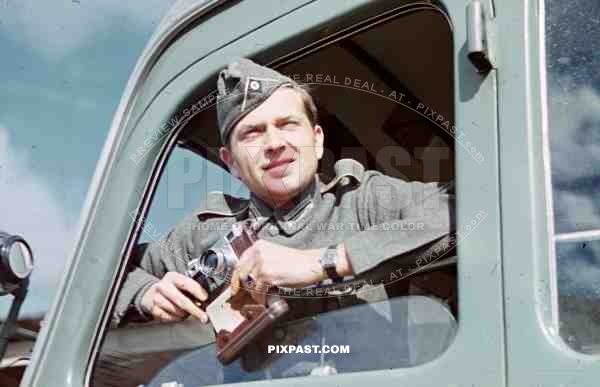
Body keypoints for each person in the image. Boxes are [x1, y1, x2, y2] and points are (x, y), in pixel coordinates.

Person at [112, 58, 455, 327]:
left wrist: (324, 262)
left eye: (287, 124)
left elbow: (464, 208)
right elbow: (104, 275)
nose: (274, 143)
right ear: (230, 162)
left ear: (317, 140)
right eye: (252, 133)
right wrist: (146, 294)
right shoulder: (206, 231)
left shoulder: (361, 200)